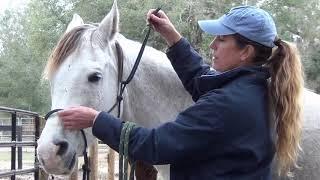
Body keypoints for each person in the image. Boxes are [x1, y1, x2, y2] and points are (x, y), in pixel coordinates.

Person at [59, 5, 304, 179]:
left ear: (245, 52)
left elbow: (156, 145)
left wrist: (97, 120)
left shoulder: (227, 104)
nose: (212, 45)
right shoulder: (253, 89)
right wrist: (172, 38)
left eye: (221, 39)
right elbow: (202, 80)